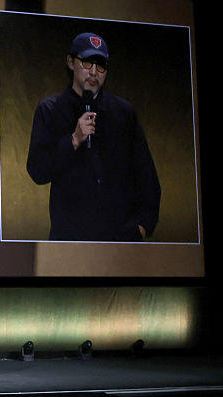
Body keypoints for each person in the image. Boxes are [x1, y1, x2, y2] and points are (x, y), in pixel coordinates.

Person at [26, 32, 161, 241]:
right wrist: (73, 140)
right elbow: (38, 171)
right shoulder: (50, 110)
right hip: (69, 240)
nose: (93, 72)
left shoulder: (124, 113)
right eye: (87, 62)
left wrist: (142, 227)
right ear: (70, 62)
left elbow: (147, 177)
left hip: (120, 240)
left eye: (100, 65)